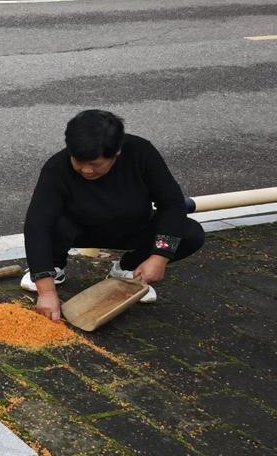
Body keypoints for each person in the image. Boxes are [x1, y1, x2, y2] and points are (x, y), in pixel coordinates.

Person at [21, 110, 204, 321]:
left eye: (95, 165)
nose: (86, 170)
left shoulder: (141, 153)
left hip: (133, 227)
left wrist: (160, 256)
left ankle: (128, 269)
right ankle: (53, 268)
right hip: (79, 231)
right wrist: (46, 291)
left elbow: (171, 204)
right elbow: (36, 225)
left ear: (116, 153)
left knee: (190, 233)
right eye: (79, 162)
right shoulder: (56, 167)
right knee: (48, 222)